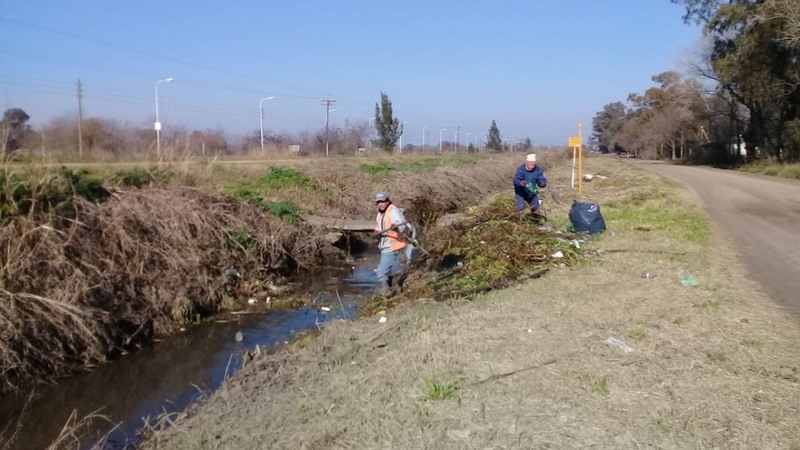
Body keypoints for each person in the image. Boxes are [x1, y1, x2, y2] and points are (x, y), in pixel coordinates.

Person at [372, 192, 409, 296]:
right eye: (378, 202)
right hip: (385, 245)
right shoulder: (380, 213)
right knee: (390, 270)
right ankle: (393, 289)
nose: (380, 204)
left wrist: (396, 226)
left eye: (382, 201)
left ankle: (385, 293)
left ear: (387, 201)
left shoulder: (393, 210)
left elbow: (402, 225)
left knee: (381, 272)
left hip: (392, 245)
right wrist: (376, 232)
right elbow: (381, 226)